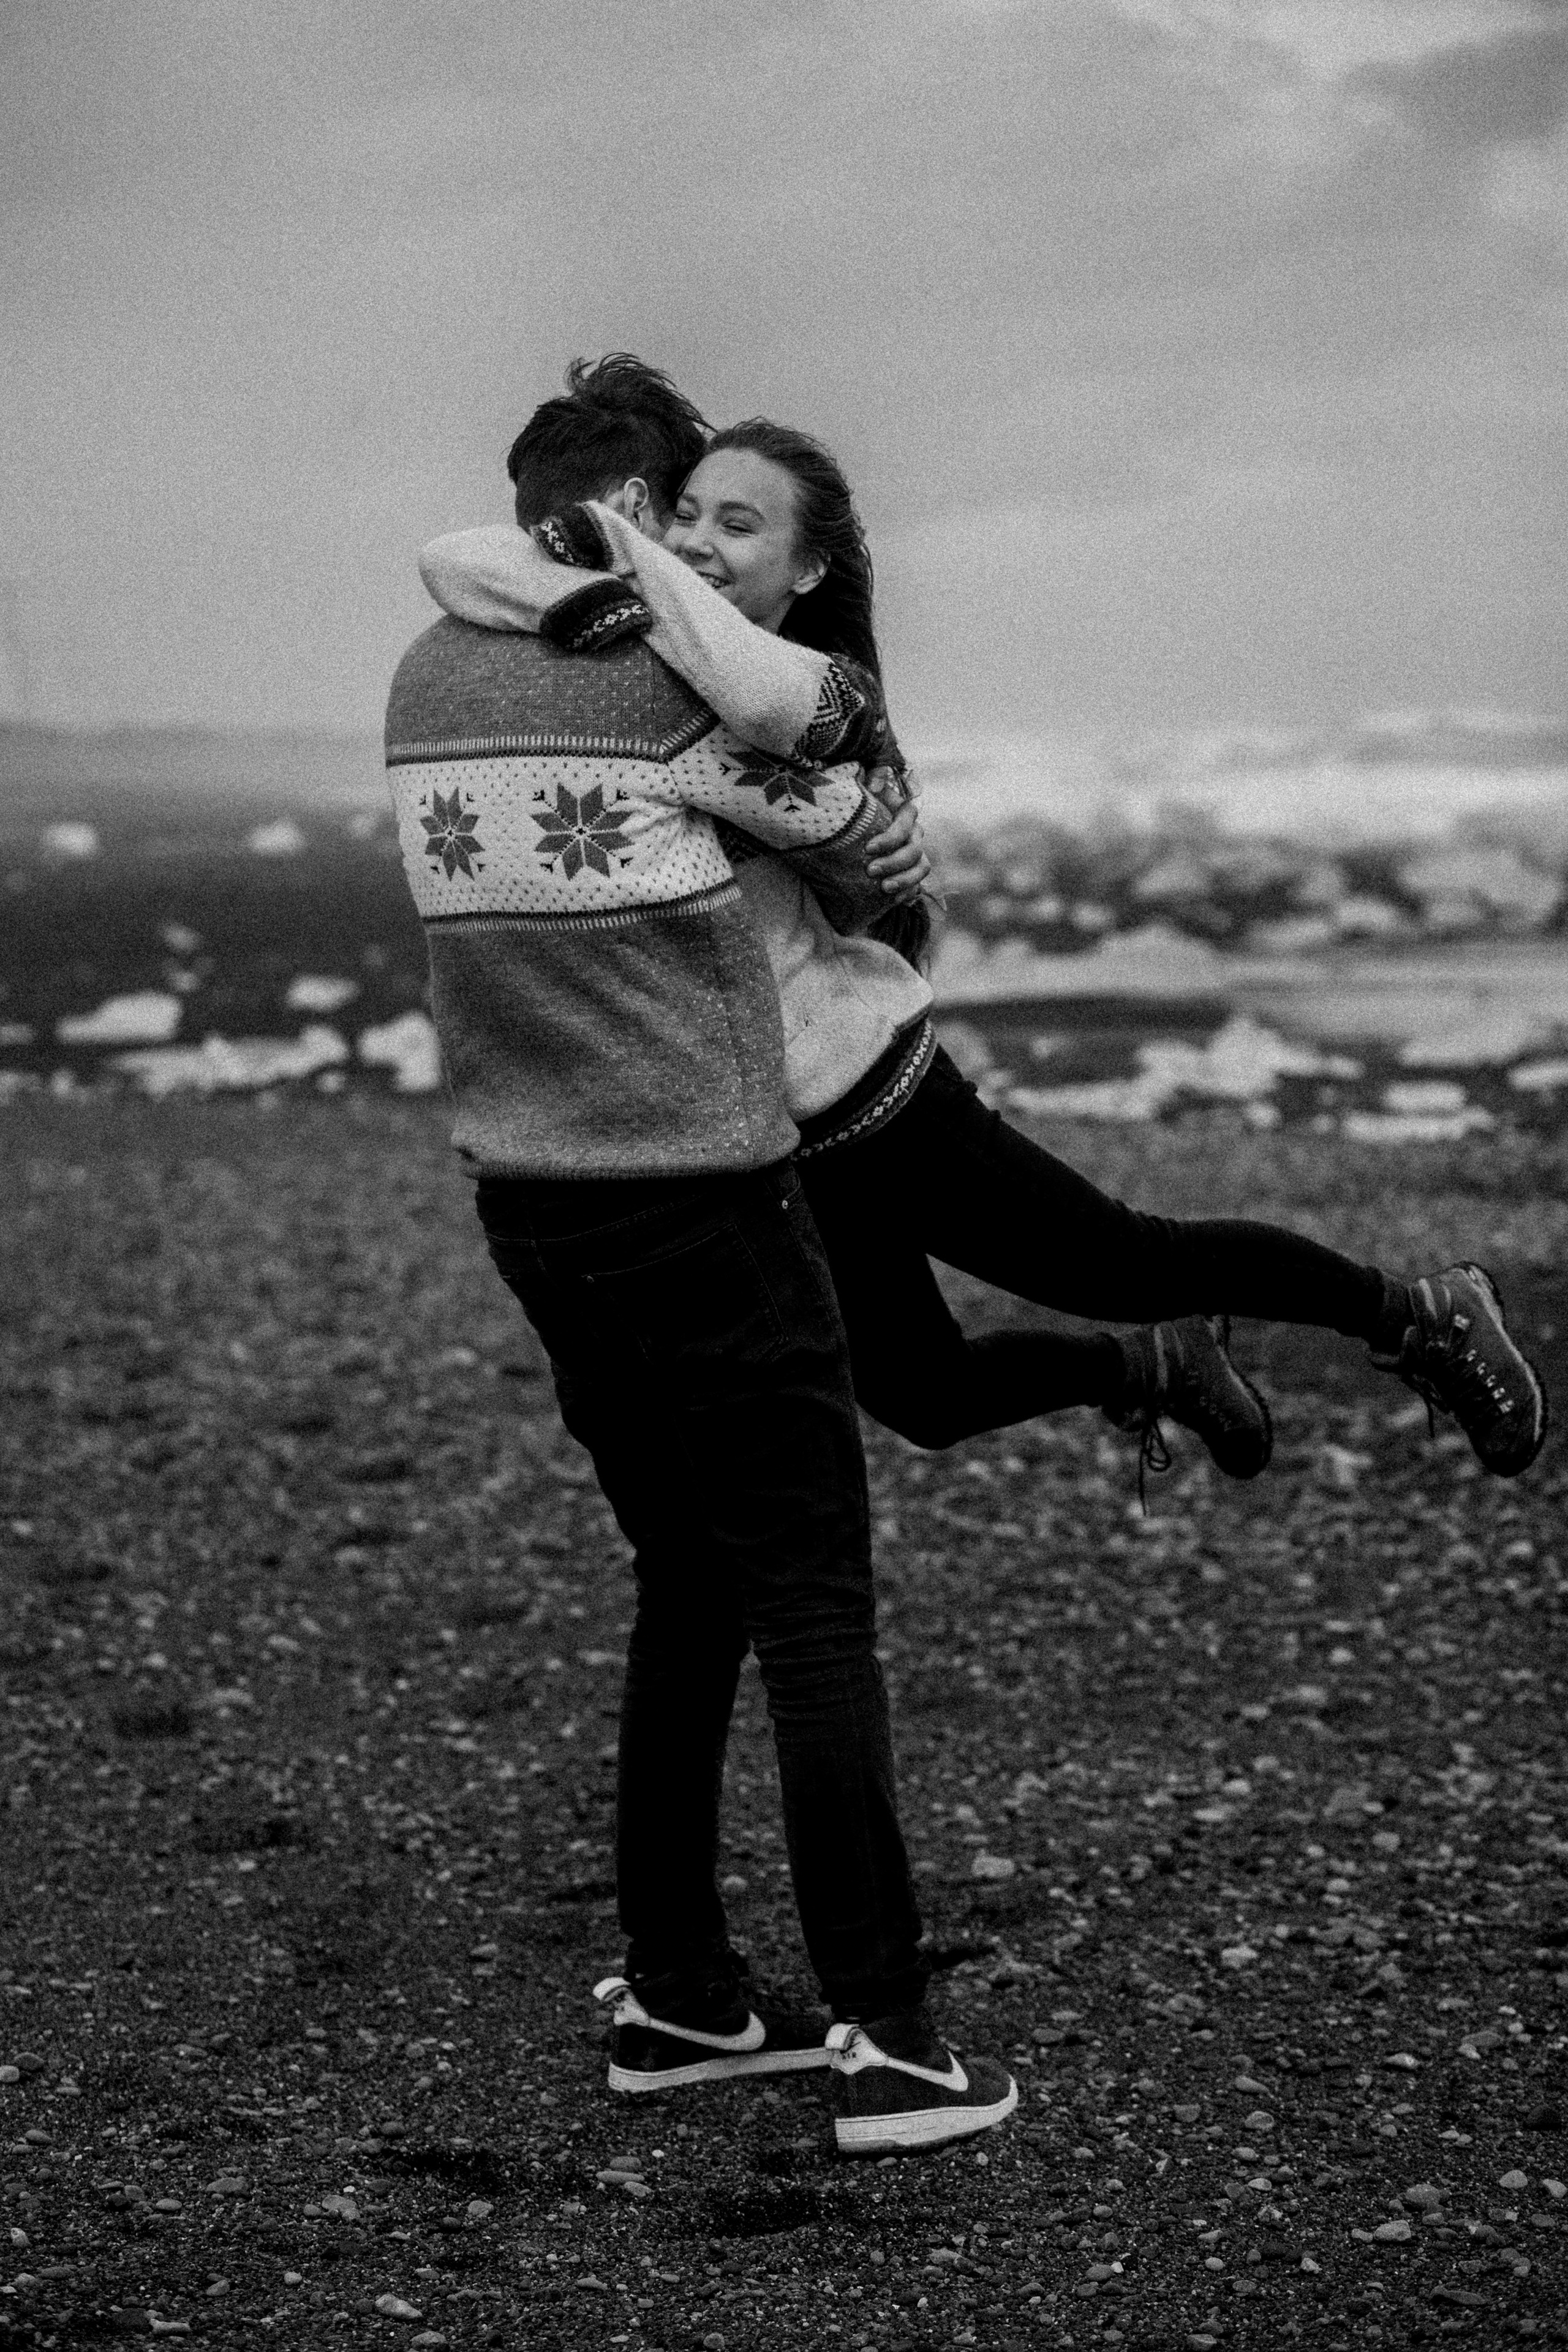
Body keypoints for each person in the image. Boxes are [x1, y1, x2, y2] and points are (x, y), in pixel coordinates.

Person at [424, 423, 1551, 1500]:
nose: (699, 544)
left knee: (1121, 1262)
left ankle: (1419, 1311)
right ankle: (1149, 1371)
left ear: (806, 569)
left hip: (867, 1094)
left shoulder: (782, 705)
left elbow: (870, 869)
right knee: (925, 1395)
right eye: (686, 514)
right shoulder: (663, 670)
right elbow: (469, 564)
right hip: (764, 1134)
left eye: (740, 525)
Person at [386, 355, 1018, 2157]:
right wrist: (871, 849)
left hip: (529, 1203)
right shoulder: (651, 678)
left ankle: (682, 1999)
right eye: (684, 518)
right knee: (814, 1602)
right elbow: (856, 818)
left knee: (689, 1580)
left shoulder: (420, 675)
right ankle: (891, 2041)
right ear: (646, 522)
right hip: (704, 1200)